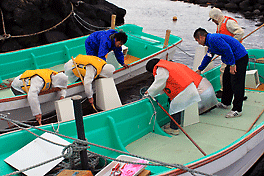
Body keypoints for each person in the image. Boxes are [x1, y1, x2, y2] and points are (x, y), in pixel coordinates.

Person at [144, 59, 218, 135]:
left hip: (183, 90)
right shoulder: (169, 64)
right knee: (174, 104)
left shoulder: (161, 68)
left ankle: (174, 129)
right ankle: (176, 123)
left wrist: (149, 92)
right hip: (187, 87)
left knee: (175, 108)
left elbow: (160, 82)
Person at [194, 28, 249, 118]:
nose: (198, 43)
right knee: (226, 80)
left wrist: (232, 65)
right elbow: (208, 57)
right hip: (231, 60)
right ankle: (226, 103)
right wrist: (200, 69)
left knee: (237, 83)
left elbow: (227, 49)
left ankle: (237, 110)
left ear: (201, 37)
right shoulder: (210, 43)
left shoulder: (213, 39)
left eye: (197, 40)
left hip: (239, 58)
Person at [208, 7, 244, 98]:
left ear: (216, 17)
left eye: (213, 19)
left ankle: (225, 91)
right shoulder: (220, 24)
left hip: (233, 53)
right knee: (225, 71)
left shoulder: (229, 23)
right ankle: (227, 91)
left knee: (225, 71)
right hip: (227, 53)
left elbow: (240, 32)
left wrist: (232, 44)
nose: (213, 21)